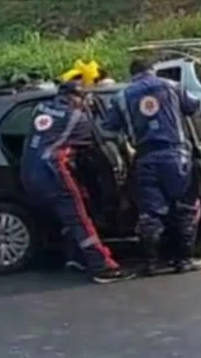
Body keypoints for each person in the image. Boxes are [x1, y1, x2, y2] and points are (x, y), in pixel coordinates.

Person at [20, 80, 134, 284]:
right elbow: (99, 137)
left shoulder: (41, 107)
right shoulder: (76, 118)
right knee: (79, 216)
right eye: (82, 98)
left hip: (28, 169)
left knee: (70, 211)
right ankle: (102, 266)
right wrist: (91, 111)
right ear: (74, 97)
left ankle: (76, 257)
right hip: (53, 172)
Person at [102, 57, 201, 275]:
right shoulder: (172, 86)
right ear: (152, 70)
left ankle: (149, 263)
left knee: (150, 214)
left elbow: (107, 132)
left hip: (145, 158)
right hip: (176, 156)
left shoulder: (122, 96)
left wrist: (125, 145)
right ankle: (183, 261)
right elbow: (197, 108)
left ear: (132, 74)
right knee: (183, 210)